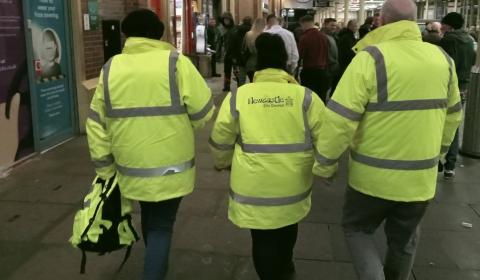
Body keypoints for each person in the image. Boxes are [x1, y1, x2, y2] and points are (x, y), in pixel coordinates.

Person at [313, 0, 462, 279]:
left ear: (380, 21)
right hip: (420, 179)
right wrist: (437, 153)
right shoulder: (442, 59)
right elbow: (454, 116)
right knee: (405, 240)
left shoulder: (370, 58)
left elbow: (340, 119)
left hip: (372, 178)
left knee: (357, 229)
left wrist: (325, 163)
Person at [85, 9, 214, 280]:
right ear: (159, 33)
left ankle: (154, 259)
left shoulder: (111, 68)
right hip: (172, 167)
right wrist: (182, 124)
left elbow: (96, 123)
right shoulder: (175, 63)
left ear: (126, 35)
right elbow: (204, 112)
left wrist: (105, 168)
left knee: (149, 217)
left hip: (130, 167)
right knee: (162, 226)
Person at [209, 33, 325, 280]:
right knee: (288, 224)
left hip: (254, 185)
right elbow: (327, 137)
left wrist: (222, 162)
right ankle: (286, 266)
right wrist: (325, 168)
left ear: (257, 62)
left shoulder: (239, 96)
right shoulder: (305, 97)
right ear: (286, 62)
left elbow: (221, 137)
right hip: (293, 182)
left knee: (261, 236)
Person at [439, 12, 476, 179]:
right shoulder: (470, 41)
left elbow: (442, 65)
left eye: (444, 25)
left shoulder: (447, 40)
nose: (441, 27)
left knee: (442, 123)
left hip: (447, 87)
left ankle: (439, 160)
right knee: (454, 122)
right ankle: (451, 165)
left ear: (450, 26)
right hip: (463, 87)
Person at [298, 15, 330, 102]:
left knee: (309, 99)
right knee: (321, 98)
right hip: (323, 72)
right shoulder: (324, 37)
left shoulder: (304, 37)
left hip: (309, 73)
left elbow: (300, 56)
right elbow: (327, 55)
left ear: (303, 24)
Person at [229, 16, 253, 86]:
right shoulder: (253, 33)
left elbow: (232, 47)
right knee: (253, 81)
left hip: (239, 60)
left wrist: (233, 58)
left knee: (241, 82)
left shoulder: (236, 32)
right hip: (250, 60)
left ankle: (240, 95)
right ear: (251, 22)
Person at [243, 17, 266, 82]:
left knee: (252, 81)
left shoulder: (248, 34)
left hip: (250, 63)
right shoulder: (264, 35)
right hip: (261, 64)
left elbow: (244, 48)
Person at [322, 18, 341, 94]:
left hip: (333, 69)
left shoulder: (333, 37)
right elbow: (326, 53)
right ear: (325, 25)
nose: (334, 27)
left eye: (335, 26)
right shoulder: (323, 37)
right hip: (328, 69)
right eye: (331, 25)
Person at [219, 12, 236, 91]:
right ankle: (226, 86)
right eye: (224, 19)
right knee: (227, 71)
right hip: (226, 53)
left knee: (236, 71)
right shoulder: (222, 29)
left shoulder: (234, 29)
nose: (226, 21)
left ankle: (240, 85)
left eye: (227, 19)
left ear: (230, 20)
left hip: (234, 53)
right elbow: (221, 42)